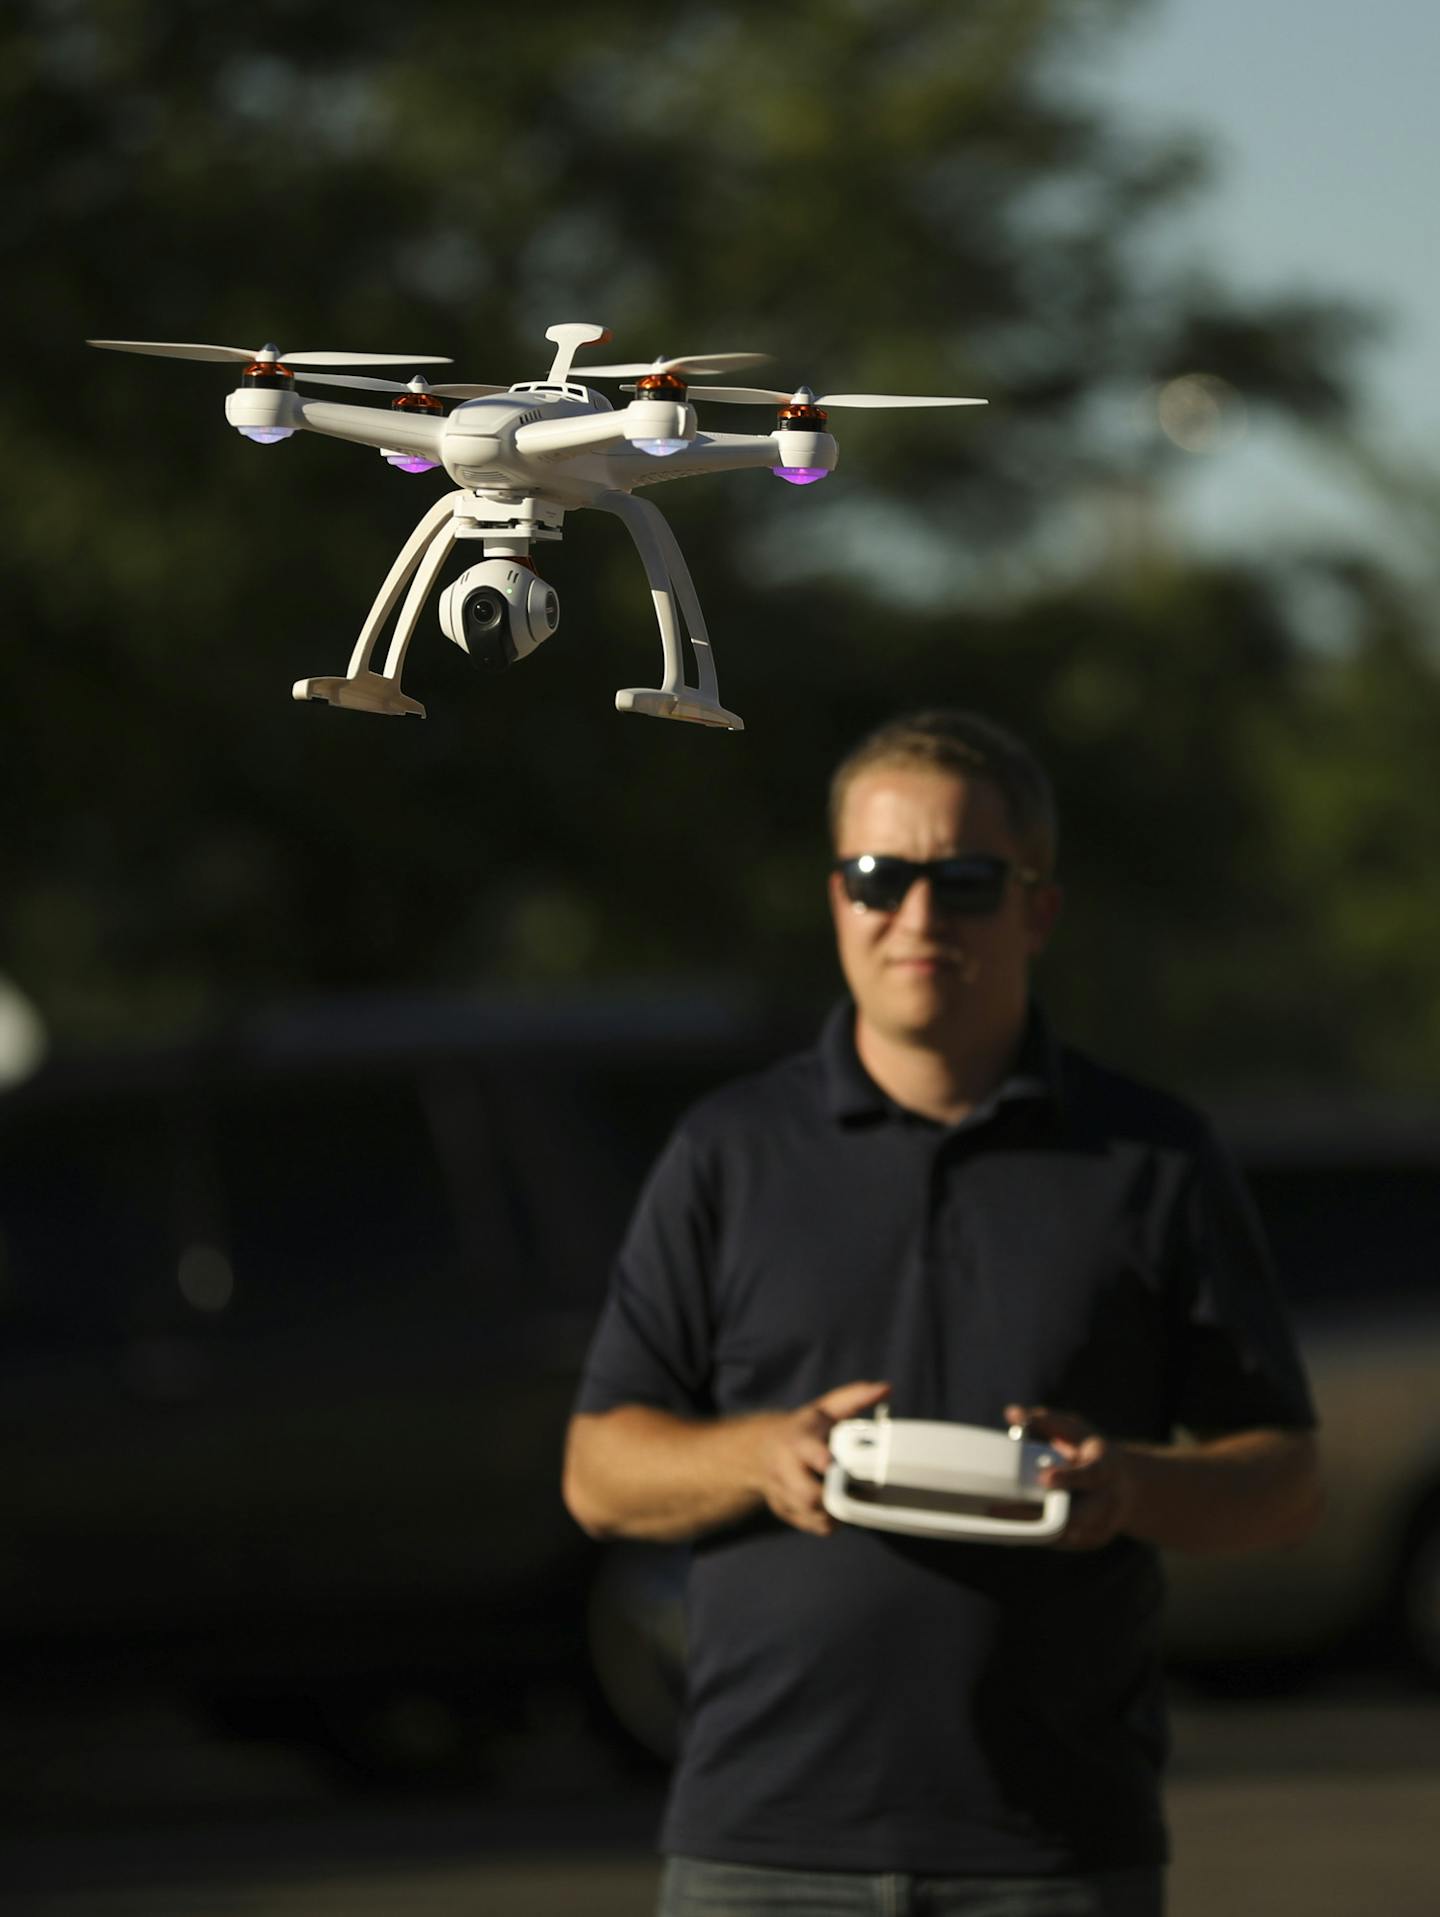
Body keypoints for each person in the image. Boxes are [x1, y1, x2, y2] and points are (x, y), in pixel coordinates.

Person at [563, 709, 1320, 1917]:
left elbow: (1283, 1478)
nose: (917, 918)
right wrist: (765, 1454)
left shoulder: (1152, 1158)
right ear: (836, 898)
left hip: (1053, 1857)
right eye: (879, 877)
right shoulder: (729, 1152)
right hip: (763, 1855)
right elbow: (599, 1473)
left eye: (965, 881)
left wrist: (1126, 1483)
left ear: (1039, 909)